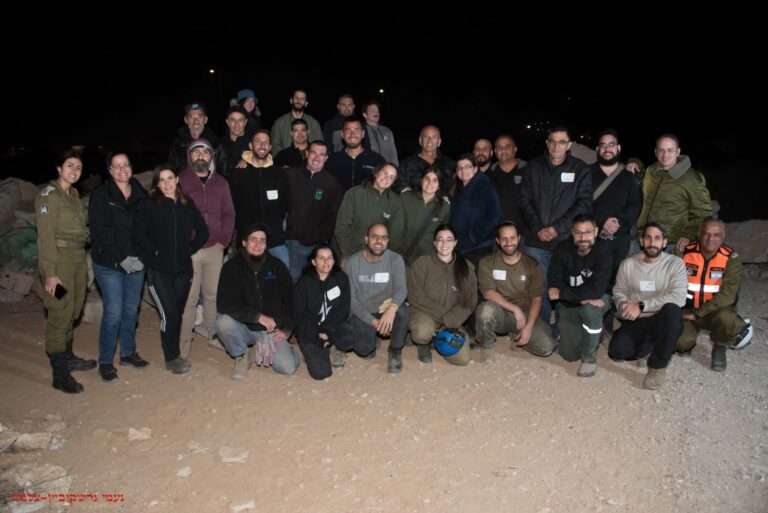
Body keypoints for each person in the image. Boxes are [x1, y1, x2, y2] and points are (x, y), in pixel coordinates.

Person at [138, 165, 208, 375]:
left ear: (177, 179)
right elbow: (139, 234)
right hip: (159, 270)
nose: (167, 183)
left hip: (183, 270)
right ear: (157, 184)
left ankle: (174, 352)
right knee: (169, 314)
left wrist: (190, 249)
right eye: (162, 180)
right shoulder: (150, 204)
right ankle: (172, 357)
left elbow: (203, 231)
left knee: (176, 313)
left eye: (170, 178)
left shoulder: (186, 203)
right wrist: (155, 251)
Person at [519, 125, 592, 324]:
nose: (556, 146)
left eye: (561, 142)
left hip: (566, 240)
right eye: (552, 141)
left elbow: (584, 203)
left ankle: (563, 328)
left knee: (564, 287)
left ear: (569, 144)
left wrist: (557, 228)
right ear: (547, 143)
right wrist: (538, 229)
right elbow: (524, 200)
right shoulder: (533, 167)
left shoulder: (581, 169)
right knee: (538, 287)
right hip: (537, 242)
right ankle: (542, 327)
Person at [35, 150, 95, 393]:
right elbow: (45, 237)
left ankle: (68, 357)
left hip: (77, 260)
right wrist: (50, 273)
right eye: (69, 165)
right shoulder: (48, 196)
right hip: (59, 263)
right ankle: (59, 373)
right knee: (60, 311)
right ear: (59, 168)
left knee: (74, 308)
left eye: (78, 167)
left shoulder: (73, 195)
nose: (74, 171)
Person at [88, 151, 149, 382]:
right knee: (113, 312)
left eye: (125, 165)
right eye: (116, 166)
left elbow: (146, 227)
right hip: (109, 263)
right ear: (110, 170)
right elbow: (100, 231)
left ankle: (128, 352)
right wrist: (121, 257)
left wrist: (143, 255)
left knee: (131, 309)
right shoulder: (101, 195)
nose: (122, 170)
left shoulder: (140, 193)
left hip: (136, 262)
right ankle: (105, 361)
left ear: (131, 167)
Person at [609, 222, 688, 390]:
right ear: (641, 241)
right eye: (648, 238)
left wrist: (641, 305)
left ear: (664, 242)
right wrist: (623, 304)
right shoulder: (628, 264)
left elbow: (678, 297)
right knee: (617, 352)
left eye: (657, 238)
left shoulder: (676, 264)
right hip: (638, 319)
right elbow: (619, 290)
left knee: (673, 310)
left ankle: (657, 366)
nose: (652, 243)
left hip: (664, 319)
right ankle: (652, 347)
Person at [215, 223, 299, 379]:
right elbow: (224, 304)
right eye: (253, 240)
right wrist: (256, 316)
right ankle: (241, 355)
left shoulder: (277, 266)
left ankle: (287, 351)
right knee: (222, 322)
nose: (258, 245)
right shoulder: (230, 268)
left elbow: (291, 298)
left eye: (262, 241)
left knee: (287, 367)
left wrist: (287, 327)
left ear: (266, 245)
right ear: (244, 242)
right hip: (244, 327)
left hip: (272, 330)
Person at [178, 139, 235, 356]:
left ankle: (213, 336)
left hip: (214, 249)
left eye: (205, 152)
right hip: (190, 250)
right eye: (196, 152)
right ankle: (184, 340)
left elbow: (229, 213)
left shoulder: (221, 183)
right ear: (189, 156)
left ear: (211, 156)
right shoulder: (180, 181)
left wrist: (224, 240)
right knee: (190, 298)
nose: (200, 156)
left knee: (212, 295)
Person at [676, 217, 753, 371]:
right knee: (680, 343)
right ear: (699, 234)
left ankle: (720, 346)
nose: (710, 239)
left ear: (723, 235)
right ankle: (687, 343)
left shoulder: (731, 258)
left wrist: (698, 314)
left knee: (727, 319)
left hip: (715, 311)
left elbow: (728, 295)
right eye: (706, 233)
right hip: (688, 310)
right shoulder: (684, 252)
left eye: (716, 234)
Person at [475, 222, 556, 363]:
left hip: (524, 314)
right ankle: (487, 347)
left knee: (546, 347)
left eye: (512, 238)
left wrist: (529, 326)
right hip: (499, 312)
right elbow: (488, 293)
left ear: (518, 239)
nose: (508, 243)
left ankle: (516, 336)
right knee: (485, 310)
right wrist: (514, 309)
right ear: (498, 241)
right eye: (504, 238)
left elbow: (537, 299)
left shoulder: (532, 265)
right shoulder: (487, 262)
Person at [547, 214, 612, 377]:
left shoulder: (604, 252)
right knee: (569, 355)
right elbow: (554, 283)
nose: (583, 238)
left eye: (588, 232)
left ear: (596, 231)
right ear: (572, 233)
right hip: (571, 301)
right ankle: (593, 333)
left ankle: (589, 359)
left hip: (598, 299)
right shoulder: (562, 249)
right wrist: (582, 298)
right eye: (578, 232)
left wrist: (564, 294)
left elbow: (596, 291)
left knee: (590, 310)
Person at [407, 225, 478, 365]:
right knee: (422, 332)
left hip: (452, 319)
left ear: (455, 242)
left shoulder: (466, 267)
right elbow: (415, 295)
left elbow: (470, 301)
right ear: (434, 243)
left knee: (462, 359)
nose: (444, 244)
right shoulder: (422, 263)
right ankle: (424, 344)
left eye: (449, 239)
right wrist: (443, 315)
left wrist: (452, 319)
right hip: (425, 313)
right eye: (440, 239)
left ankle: (438, 337)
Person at [344, 224, 409, 373]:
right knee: (364, 350)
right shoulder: (351, 263)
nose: (379, 241)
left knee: (402, 311)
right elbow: (351, 299)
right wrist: (373, 322)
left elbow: (401, 289)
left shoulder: (395, 259)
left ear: (387, 241)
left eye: (383, 237)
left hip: (385, 307)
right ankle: (372, 339)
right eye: (374, 236)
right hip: (363, 310)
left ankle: (395, 350)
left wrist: (391, 310)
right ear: (366, 239)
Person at [636, 134, 712, 253]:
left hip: (671, 244)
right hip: (644, 237)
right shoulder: (651, 171)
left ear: (678, 152)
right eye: (661, 150)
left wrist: (688, 235)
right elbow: (640, 177)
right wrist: (634, 162)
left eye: (670, 150)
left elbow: (704, 212)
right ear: (656, 152)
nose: (665, 155)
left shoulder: (691, 179)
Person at [294, 245, 360, 379]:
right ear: (313, 262)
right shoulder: (303, 282)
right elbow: (299, 314)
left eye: (329, 258)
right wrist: (317, 335)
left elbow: (344, 308)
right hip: (309, 329)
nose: (326, 262)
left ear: (334, 261)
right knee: (321, 373)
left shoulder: (341, 278)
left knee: (349, 338)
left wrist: (327, 331)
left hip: (332, 326)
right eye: (321, 258)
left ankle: (333, 347)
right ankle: (314, 351)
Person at [587, 129, 643, 286]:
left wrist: (617, 221)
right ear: (597, 149)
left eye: (611, 145)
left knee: (618, 285)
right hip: (593, 240)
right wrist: (601, 222)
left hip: (621, 244)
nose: (607, 149)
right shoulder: (586, 173)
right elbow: (581, 203)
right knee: (592, 282)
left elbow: (636, 205)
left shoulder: (630, 176)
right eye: (603, 145)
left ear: (618, 148)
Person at [229, 129, 290, 268]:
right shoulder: (239, 174)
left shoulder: (279, 174)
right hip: (249, 240)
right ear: (251, 146)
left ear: (270, 147)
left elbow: (284, 205)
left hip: (275, 239)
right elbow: (233, 207)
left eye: (266, 142)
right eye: (258, 142)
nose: (262, 145)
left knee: (283, 273)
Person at [284, 141, 344, 281]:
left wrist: (320, 238)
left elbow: (334, 216)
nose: (317, 158)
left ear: (326, 158)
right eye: (313, 153)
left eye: (321, 154)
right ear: (307, 154)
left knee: (317, 283)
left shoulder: (332, 184)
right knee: (295, 281)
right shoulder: (290, 176)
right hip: (293, 242)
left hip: (318, 245)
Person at [335, 163, 404, 261]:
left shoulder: (395, 202)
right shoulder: (354, 194)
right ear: (376, 173)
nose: (386, 178)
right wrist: (345, 255)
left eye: (391, 177)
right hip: (353, 254)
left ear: (393, 182)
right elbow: (342, 227)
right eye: (384, 173)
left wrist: (389, 259)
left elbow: (396, 234)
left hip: (380, 257)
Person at [449, 153, 501, 266]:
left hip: (478, 248)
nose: (463, 170)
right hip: (458, 247)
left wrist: (474, 236)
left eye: (467, 166)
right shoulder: (456, 189)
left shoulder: (485, 186)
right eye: (460, 167)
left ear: (475, 168)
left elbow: (495, 215)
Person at [399, 168, 451, 264]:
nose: (430, 183)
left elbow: (443, 233)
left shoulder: (445, 206)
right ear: (421, 181)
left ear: (439, 185)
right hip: (402, 255)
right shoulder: (406, 197)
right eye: (427, 179)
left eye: (435, 180)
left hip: (427, 259)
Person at [325, 116, 386, 191]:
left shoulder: (377, 160)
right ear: (342, 134)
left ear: (363, 134)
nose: (352, 134)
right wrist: (317, 197)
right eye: (348, 130)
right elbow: (321, 187)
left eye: (357, 130)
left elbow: (385, 190)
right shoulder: (331, 161)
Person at [396, 125, 454, 193]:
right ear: (420, 140)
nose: (430, 140)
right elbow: (398, 187)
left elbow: (455, 187)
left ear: (439, 142)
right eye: (426, 136)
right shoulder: (406, 163)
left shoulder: (448, 163)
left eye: (434, 137)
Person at [487, 134, 527, 229]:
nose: (503, 150)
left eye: (507, 147)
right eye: (499, 147)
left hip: (523, 231)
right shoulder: (488, 175)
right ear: (495, 151)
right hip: (495, 231)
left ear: (515, 149)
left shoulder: (529, 171)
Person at [168, 102, 219, 172]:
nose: (196, 121)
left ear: (205, 119)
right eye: (192, 117)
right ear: (186, 120)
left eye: (199, 116)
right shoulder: (177, 144)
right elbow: (172, 169)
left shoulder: (216, 144)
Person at [270, 89, 323, 156]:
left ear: (306, 103)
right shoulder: (279, 123)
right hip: (286, 160)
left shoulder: (314, 124)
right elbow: (274, 145)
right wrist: (284, 159)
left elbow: (321, 146)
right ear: (291, 100)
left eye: (302, 99)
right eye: (296, 98)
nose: (299, 101)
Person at [362, 99, 399, 166]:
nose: (376, 113)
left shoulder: (387, 131)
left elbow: (393, 153)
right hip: (370, 169)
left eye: (377, 111)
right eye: (373, 111)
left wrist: (395, 167)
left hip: (387, 169)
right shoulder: (361, 131)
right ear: (365, 115)